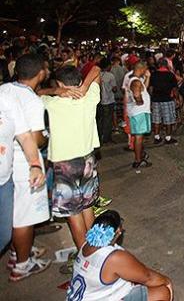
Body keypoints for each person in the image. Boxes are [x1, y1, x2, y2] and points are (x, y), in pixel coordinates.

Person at [41, 65, 102, 250]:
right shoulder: (90, 97)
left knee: (73, 213)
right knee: (87, 207)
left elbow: (31, 91)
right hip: (87, 160)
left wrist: (55, 91)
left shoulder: (51, 103)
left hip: (65, 164)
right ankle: (96, 252)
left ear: (60, 83)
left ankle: (85, 254)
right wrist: (84, 87)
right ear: (79, 81)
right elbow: (97, 69)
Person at [67, 210, 173, 301]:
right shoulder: (113, 258)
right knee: (162, 292)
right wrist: (167, 281)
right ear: (118, 231)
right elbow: (148, 277)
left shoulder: (86, 245)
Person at [0, 86, 46, 281]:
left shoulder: (5, 97)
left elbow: (26, 136)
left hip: (4, 181)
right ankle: (21, 263)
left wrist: (34, 164)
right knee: (21, 221)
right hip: (12, 176)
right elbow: (37, 137)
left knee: (5, 232)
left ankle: (17, 254)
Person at [126, 62, 152, 169]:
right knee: (138, 137)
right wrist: (139, 100)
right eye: (145, 69)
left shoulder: (136, 80)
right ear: (141, 69)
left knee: (139, 137)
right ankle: (138, 160)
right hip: (139, 113)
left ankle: (140, 155)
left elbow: (143, 88)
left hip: (139, 112)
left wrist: (147, 77)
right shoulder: (135, 81)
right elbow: (137, 93)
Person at [149, 59, 178, 145]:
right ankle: (168, 137)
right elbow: (175, 88)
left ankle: (157, 137)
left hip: (156, 99)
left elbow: (151, 88)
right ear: (167, 65)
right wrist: (176, 98)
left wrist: (152, 97)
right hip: (167, 99)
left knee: (156, 119)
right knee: (168, 119)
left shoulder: (153, 74)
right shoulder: (170, 75)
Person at [98, 58, 117, 144]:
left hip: (99, 100)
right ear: (108, 66)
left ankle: (100, 136)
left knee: (100, 119)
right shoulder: (110, 76)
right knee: (108, 120)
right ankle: (106, 137)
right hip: (109, 100)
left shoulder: (97, 74)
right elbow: (114, 89)